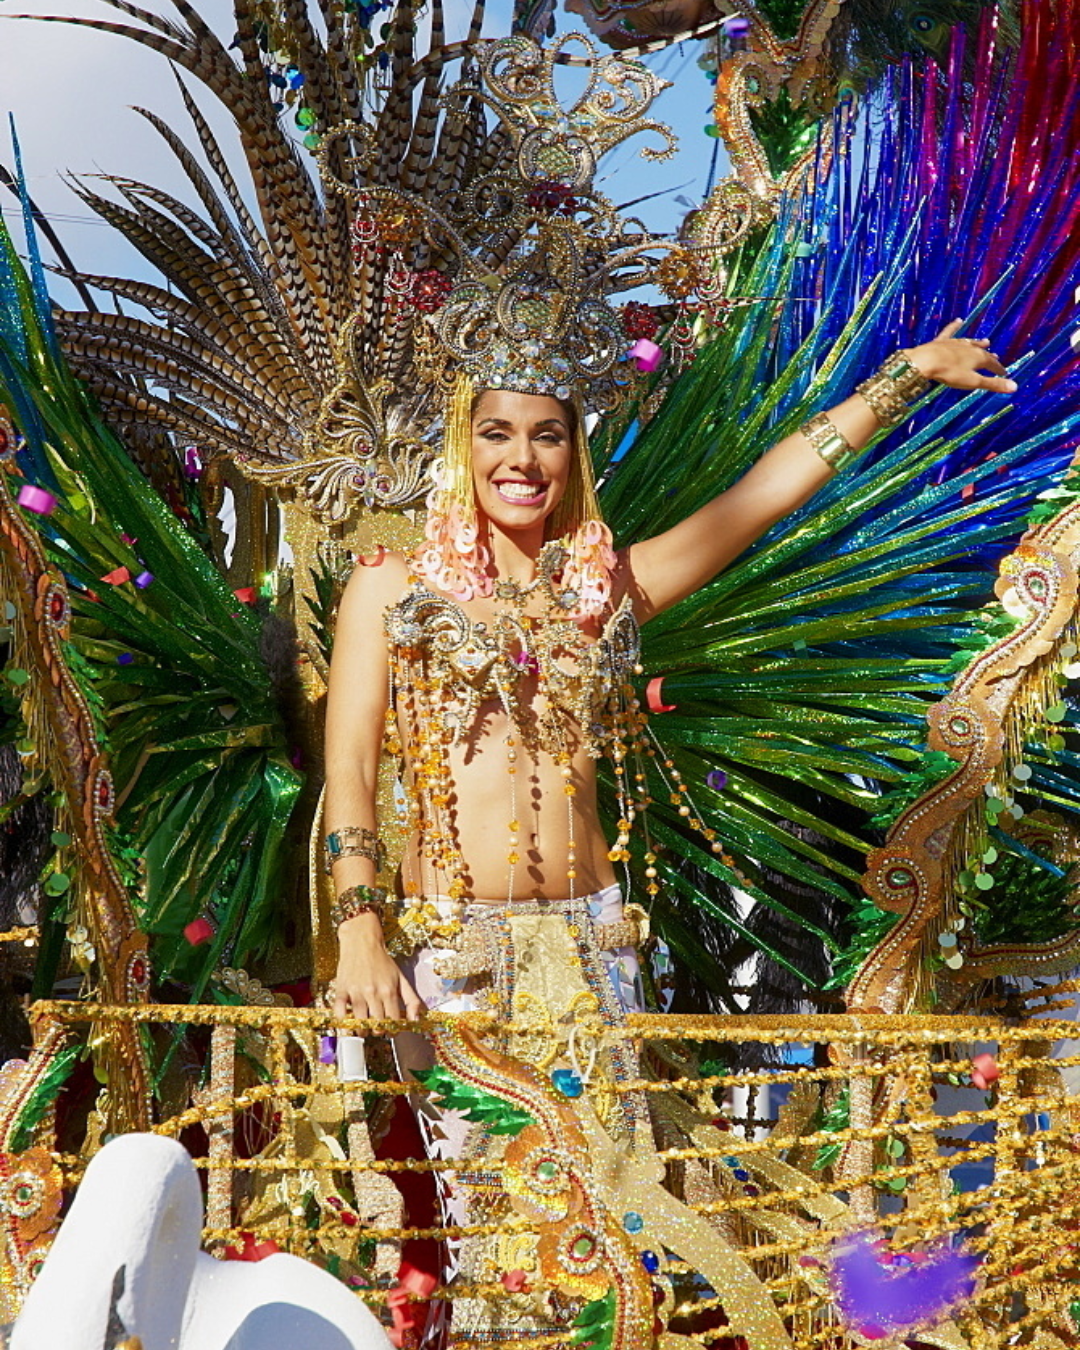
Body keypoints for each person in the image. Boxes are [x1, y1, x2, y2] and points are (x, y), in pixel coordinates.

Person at [323, 325, 1014, 1027]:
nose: (523, 460)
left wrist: (907, 373)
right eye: (496, 434)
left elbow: (762, 495)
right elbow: (350, 767)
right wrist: (358, 928)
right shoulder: (393, 586)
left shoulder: (604, 591)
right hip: (449, 944)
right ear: (461, 447)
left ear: (573, 455)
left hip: (594, 939)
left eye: (548, 437)